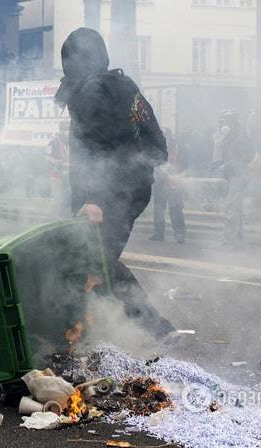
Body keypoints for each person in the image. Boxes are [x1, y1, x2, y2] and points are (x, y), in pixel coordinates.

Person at [55, 28, 174, 339]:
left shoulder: (90, 91)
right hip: (134, 186)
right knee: (88, 259)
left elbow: (94, 147)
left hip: (110, 191)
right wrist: (145, 163)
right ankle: (85, 327)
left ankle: (153, 327)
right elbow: (156, 141)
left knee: (97, 257)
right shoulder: (125, 86)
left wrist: (92, 198)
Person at [212, 110, 257, 243]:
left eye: (224, 121)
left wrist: (229, 165)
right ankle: (238, 235)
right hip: (237, 174)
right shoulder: (234, 135)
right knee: (237, 206)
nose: (221, 125)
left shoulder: (237, 136)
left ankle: (229, 238)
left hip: (239, 174)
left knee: (231, 207)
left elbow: (242, 156)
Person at [150, 128, 186, 243]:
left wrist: (175, 172)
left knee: (175, 208)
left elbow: (183, 163)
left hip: (174, 181)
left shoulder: (177, 148)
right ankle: (159, 233)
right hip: (161, 182)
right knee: (158, 209)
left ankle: (179, 234)